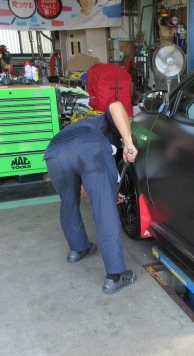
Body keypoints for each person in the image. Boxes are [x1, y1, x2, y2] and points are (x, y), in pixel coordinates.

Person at [44, 101, 138, 294]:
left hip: (54, 153)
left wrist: (109, 189)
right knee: (105, 209)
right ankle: (115, 276)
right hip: (88, 148)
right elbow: (116, 105)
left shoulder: (77, 127)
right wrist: (129, 142)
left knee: (68, 203)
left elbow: (84, 189)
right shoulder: (105, 123)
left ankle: (78, 248)